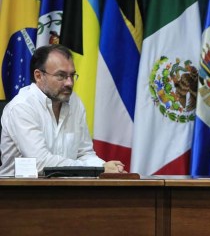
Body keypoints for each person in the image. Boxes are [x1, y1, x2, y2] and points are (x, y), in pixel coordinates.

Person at [0, 45, 125, 176]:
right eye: (61, 76)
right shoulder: (22, 107)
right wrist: (98, 170)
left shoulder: (75, 103)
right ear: (38, 76)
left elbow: (84, 153)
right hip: (18, 192)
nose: (69, 83)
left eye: (72, 75)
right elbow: (41, 163)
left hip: (65, 190)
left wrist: (105, 168)